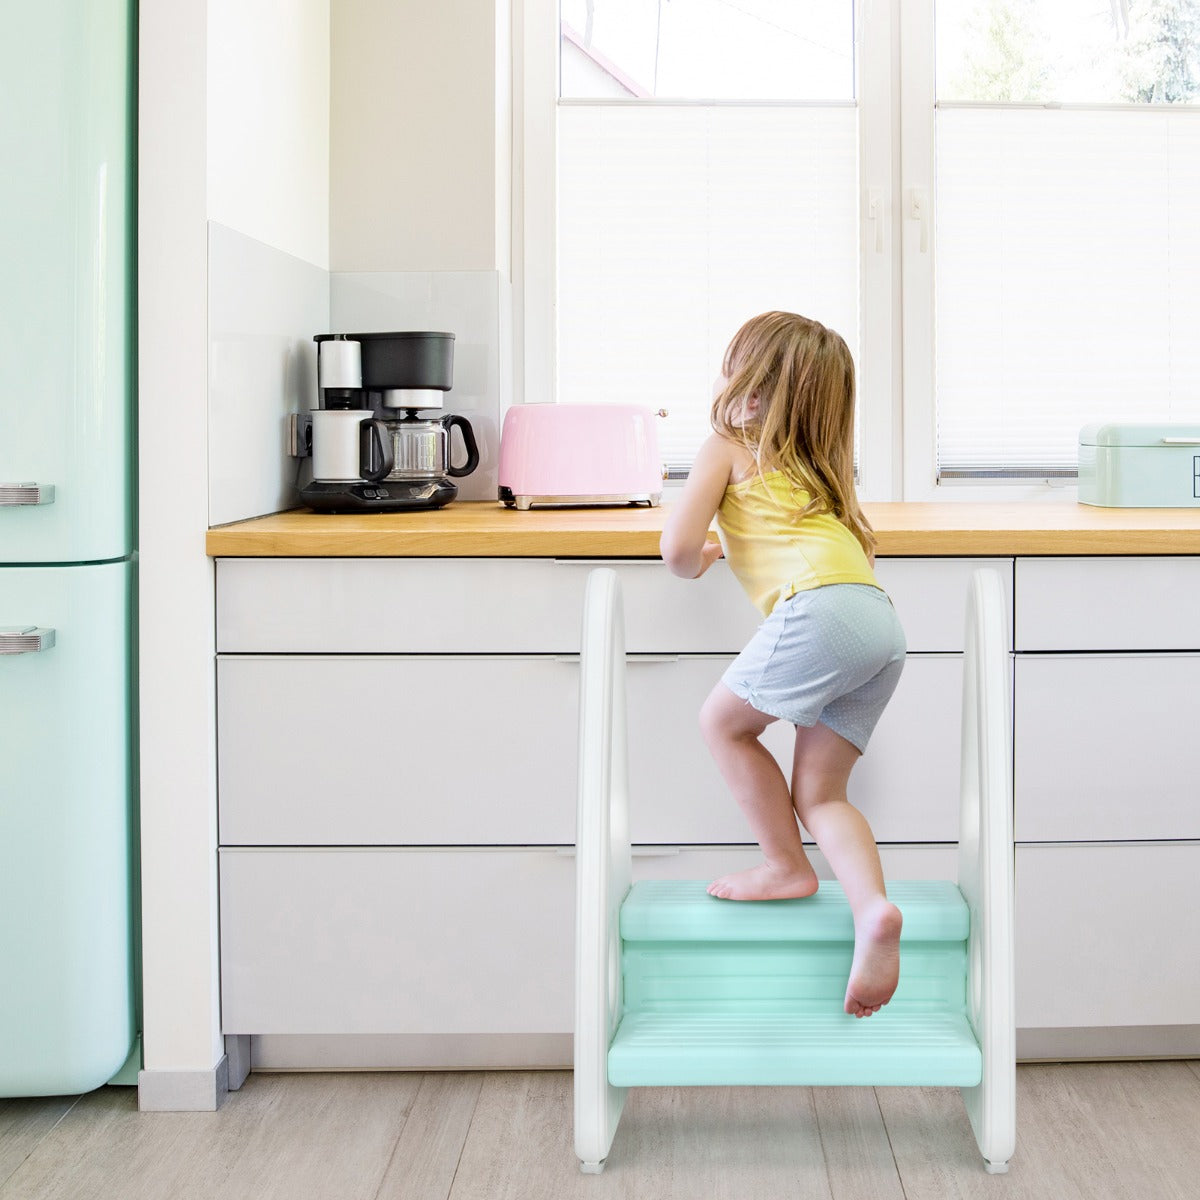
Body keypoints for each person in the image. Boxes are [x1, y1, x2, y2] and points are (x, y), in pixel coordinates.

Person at [659, 311, 907, 1019]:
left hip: (820, 612)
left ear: (756, 391)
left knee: (723, 724)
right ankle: (873, 912)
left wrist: (702, 557)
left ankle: (786, 865)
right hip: (878, 624)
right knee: (824, 794)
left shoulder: (727, 443)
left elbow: (677, 551)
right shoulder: (821, 473)